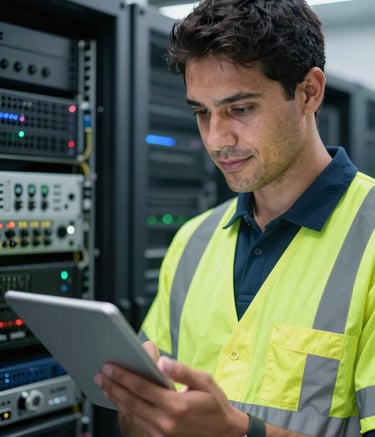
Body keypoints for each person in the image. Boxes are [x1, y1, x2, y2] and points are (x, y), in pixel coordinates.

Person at [94, 0, 375, 435]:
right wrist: (142, 410)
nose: (217, 139)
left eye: (240, 109)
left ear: (308, 93)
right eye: (202, 113)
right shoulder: (192, 241)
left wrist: (239, 432)